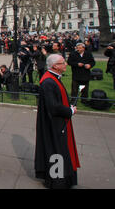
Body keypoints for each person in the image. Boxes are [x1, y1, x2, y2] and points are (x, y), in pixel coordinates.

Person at [35, 54, 80, 189]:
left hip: (57, 121)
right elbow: (53, 106)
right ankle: (57, 181)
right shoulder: (48, 82)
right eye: (62, 63)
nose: (65, 64)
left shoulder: (53, 78)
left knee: (59, 149)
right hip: (53, 123)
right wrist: (70, 111)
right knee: (56, 150)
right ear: (55, 66)